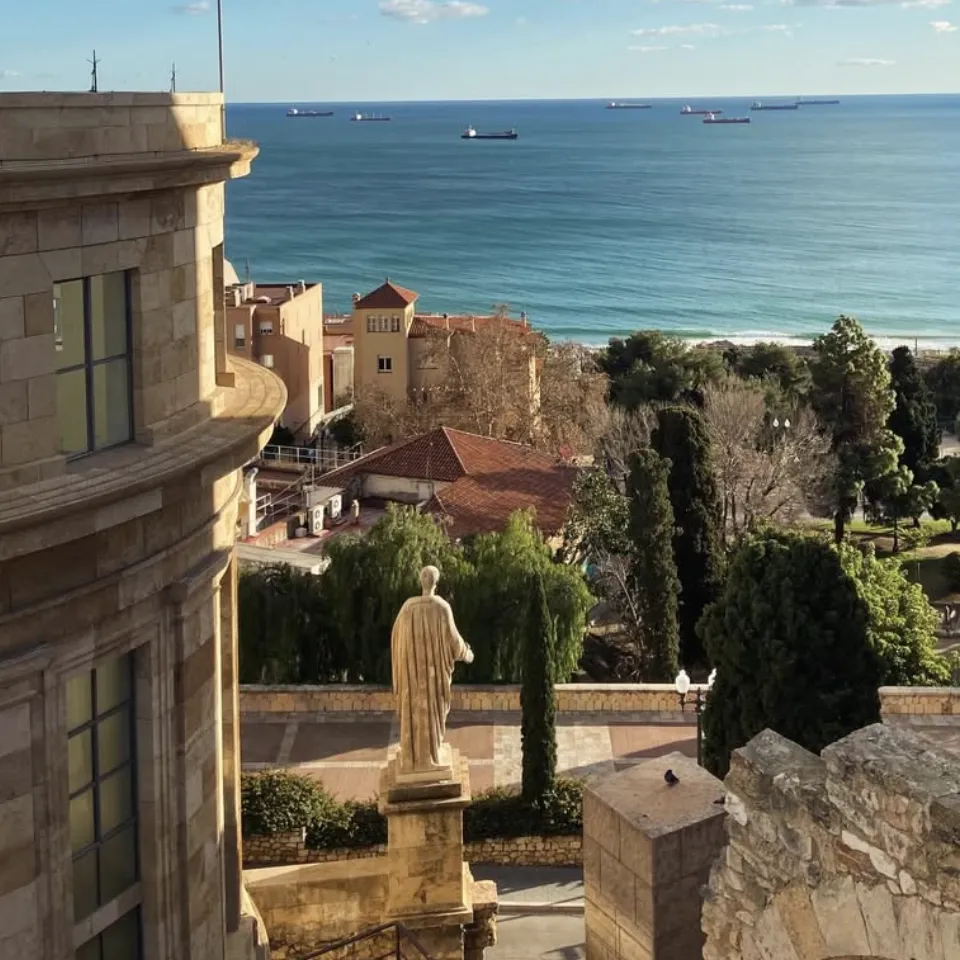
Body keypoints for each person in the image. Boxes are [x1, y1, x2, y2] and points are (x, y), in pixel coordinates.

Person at [390, 565, 474, 776]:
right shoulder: (441, 607)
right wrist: (468, 654)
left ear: (421, 581)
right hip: (432, 677)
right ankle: (429, 759)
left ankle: (412, 759)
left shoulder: (407, 607)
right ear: (436, 583)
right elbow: (454, 642)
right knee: (431, 713)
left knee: (414, 711)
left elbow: (395, 640)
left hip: (411, 676)